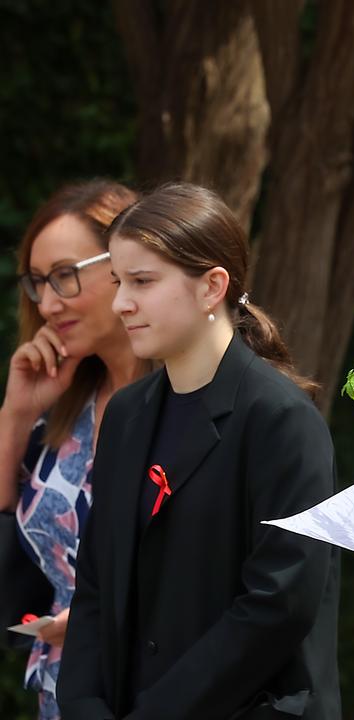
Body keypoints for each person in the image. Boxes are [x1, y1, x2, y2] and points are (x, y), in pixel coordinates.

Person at [56, 182, 341, 720]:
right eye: (118, 281)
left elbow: (278, 605)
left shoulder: (281, 421)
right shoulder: (127, 415)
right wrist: (83, 705)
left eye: (142, 281)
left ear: (212, 287)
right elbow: (95, 583)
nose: (121, 303)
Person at [0, 180, 147, 720]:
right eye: (38, 283)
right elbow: (9, 580)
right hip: (61, 697)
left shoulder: (190, 409)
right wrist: (15, 415)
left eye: (64, 275)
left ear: (127, 262)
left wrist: (92, 618)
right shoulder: (63, 407)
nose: (47, 303)